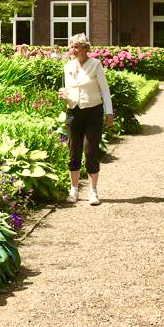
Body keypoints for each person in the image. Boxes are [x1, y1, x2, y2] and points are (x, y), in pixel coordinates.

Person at [58, 34, 114, 205]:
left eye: (76, 46)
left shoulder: (95, 65)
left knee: (90, 152)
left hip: (93, 112)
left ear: (85, 48)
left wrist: (109, 113)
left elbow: (104, 90)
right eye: (71, 46)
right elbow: (67, 89)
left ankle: (93, 191)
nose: (72, 50)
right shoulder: (68, 66)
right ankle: (73, 190)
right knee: (73, 152)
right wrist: (63, 95)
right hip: (73, 112)